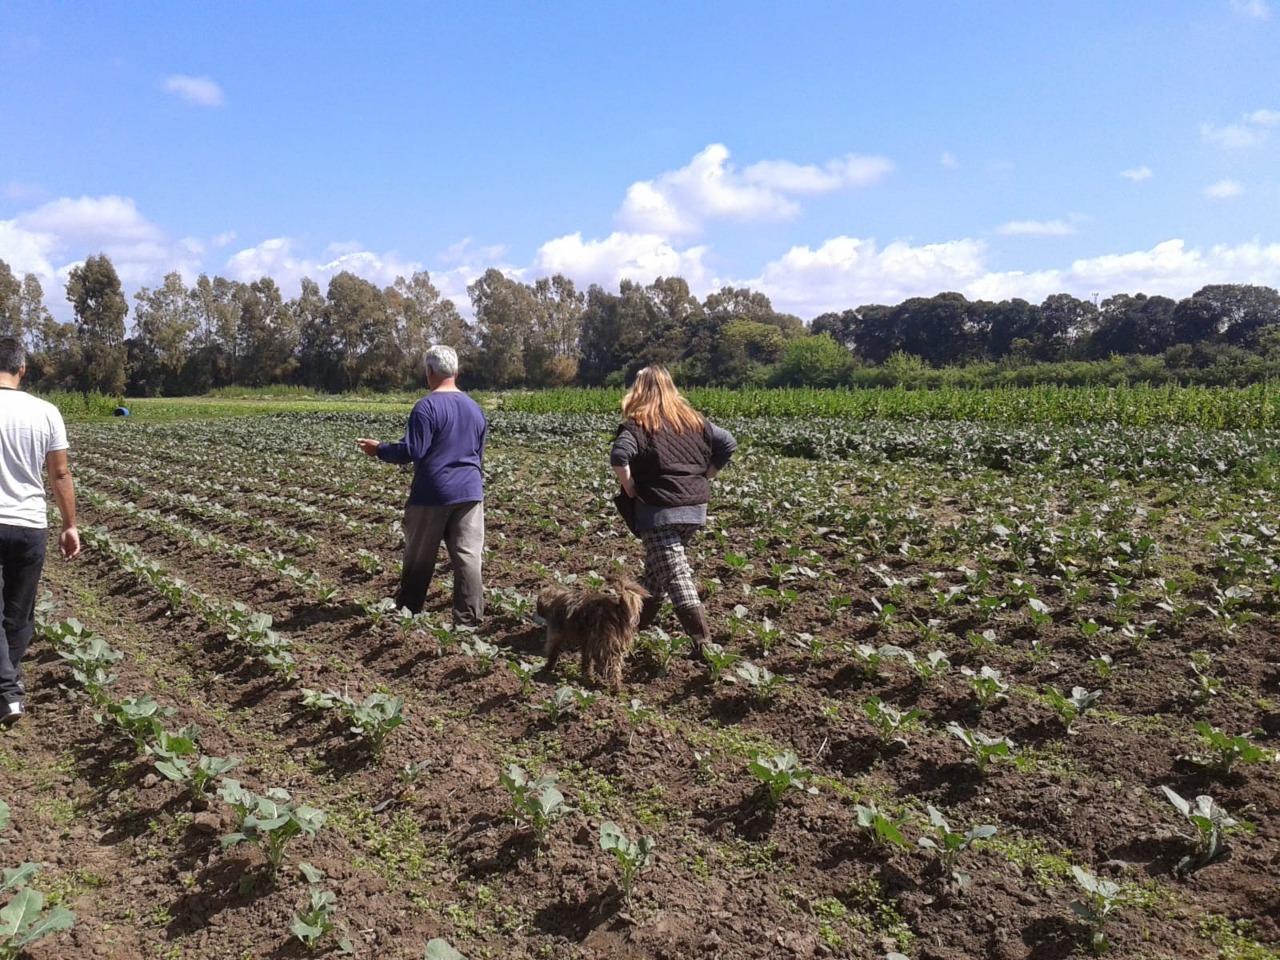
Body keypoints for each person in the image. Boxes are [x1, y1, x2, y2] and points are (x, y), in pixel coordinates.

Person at [610, 365, 736, 658]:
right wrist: (708, 473)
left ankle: (703, 644)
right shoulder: (694, 421)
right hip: (693, 511)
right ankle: (629, 631)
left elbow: (619, 457)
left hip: (659, 513)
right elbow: (728, 443)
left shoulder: (638, 424)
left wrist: (629, 488)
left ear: (638, 391)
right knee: (657, 575)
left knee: (676, 574)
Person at [357, 345, 486, 625]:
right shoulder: (475, 408)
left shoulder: (426, 406)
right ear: (456, 371)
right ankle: (469, 619)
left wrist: (379, 449)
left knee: (419, 555)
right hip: (470, 492)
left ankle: (408, 611)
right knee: (467, 556)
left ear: (429, 371)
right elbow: (478, 454)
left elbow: (412, 450)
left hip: (433, 492)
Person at [0, 337, 80, 728]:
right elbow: (60, 473)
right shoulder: (46, 411)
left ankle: (7, 691)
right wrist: (70, 525)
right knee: (18, 613)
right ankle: (9, 690)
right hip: (30, 524)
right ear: (23, 369)